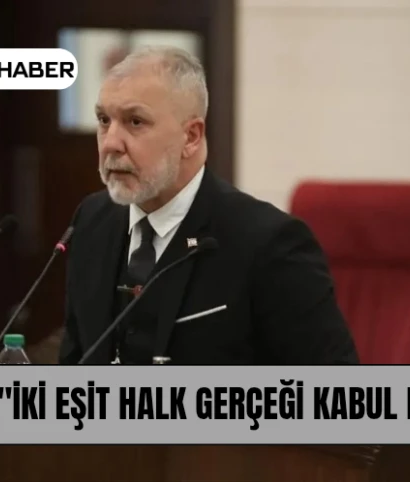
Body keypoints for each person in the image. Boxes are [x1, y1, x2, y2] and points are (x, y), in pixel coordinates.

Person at [58, 46, 358, 365]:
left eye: (135, 121)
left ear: (190, 137)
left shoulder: (269, 243)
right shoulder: (92, 220)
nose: (110, 143)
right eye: (104, 120)